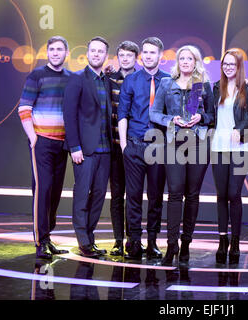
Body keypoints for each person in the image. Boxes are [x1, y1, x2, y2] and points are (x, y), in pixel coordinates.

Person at [149, 45, 214, 265]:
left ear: (196, 61)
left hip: (198, 143)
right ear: (178, 61)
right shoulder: (166, 83)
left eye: (190, 58)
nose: (186, 62)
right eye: (182, 58)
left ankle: (186, 244)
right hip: (173, 143)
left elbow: (211, 115)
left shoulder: (202, 85)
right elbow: (155, 113)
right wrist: (171, 120)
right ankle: (171, 245)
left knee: (192, 194)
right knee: (175, 193)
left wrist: (200, 118)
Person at [18, 35, 71, 259]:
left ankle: (48, 237)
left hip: (63, 144)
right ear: (47, 52)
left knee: (55, 192)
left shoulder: (71, 78)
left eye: (60, 49)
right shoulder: (37, 75)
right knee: (43, 189)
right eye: (52, 49)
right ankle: (40, 242)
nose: (56, 53)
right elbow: (24, 109)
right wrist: (33, 138)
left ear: (66, 53)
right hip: (41, 142)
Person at [117, 37, 169, 260]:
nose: (148, 56)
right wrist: (124, 145)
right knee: (134, 196)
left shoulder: (169, 81)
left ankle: (153, 242)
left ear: (160, 56)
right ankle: (134, 241)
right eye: (145, 52)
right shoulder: (132, 80)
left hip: (159, 146)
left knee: (156, 196)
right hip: (135, 145)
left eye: (152, 52)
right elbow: (123, 114)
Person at [211, 49, 248, 264]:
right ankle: (222, 241)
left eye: (232, 64)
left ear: (239, 66)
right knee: (222, 195)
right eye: (225, 64)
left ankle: (235, 242)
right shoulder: (216, 87)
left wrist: (240, 128)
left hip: (240, 148)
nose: (228, 67)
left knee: (234, 194)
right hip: (218, 147)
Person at [63, 36, 113, 257]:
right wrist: (74, 147)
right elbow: (69, 114)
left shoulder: (107, 80)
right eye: (93, 50)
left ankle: (89, 238)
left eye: (100, 51)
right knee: (82, 195)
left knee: (99, 195)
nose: (96, 54)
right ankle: (83, 241)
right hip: (84, 149)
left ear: (105, 55)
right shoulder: (77, 79)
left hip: (105, 149)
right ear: (88, 53)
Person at [107, 41, 139, 257]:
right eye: (122, 54)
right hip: (114, 148)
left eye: (129, 55)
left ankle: (132, 239)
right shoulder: (109, 80)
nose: (125, 58)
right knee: (117, 195)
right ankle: (118, 240)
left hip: (136, 147)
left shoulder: (140, 80)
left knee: (134, 196)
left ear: (136, 58)